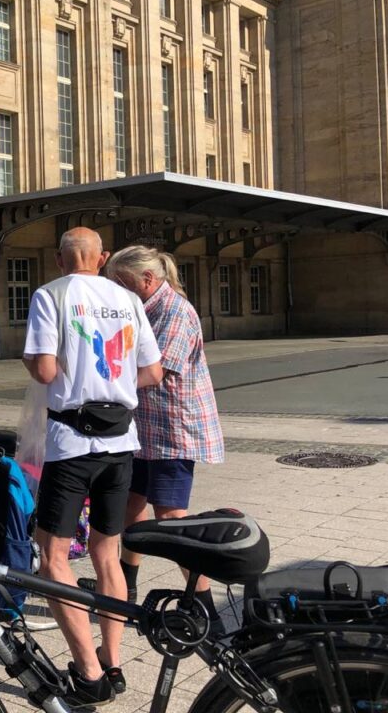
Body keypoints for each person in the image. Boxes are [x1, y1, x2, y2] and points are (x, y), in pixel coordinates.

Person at [23, 227, 162, 708]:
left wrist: (53, 368)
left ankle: (87, 672)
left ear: (60, 260)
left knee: (53, 557)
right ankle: (114, 659)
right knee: (107, 551)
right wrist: (113, 380)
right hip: (121, 440)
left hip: (70, 443)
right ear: (101, 258)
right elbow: (153, 371)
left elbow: (43, 370)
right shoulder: (127, 299)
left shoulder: (50, 294)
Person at [104, 245, 225, 628]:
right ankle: (127, 585)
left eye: (121, 283)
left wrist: (102, 386)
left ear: (147, 280)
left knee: (172, 519)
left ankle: (205, 609)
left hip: (172, 429)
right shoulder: (142, 309)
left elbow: (156, 372)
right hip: (143, 429)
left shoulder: (175, 312)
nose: (117, 291)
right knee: (131, 506)